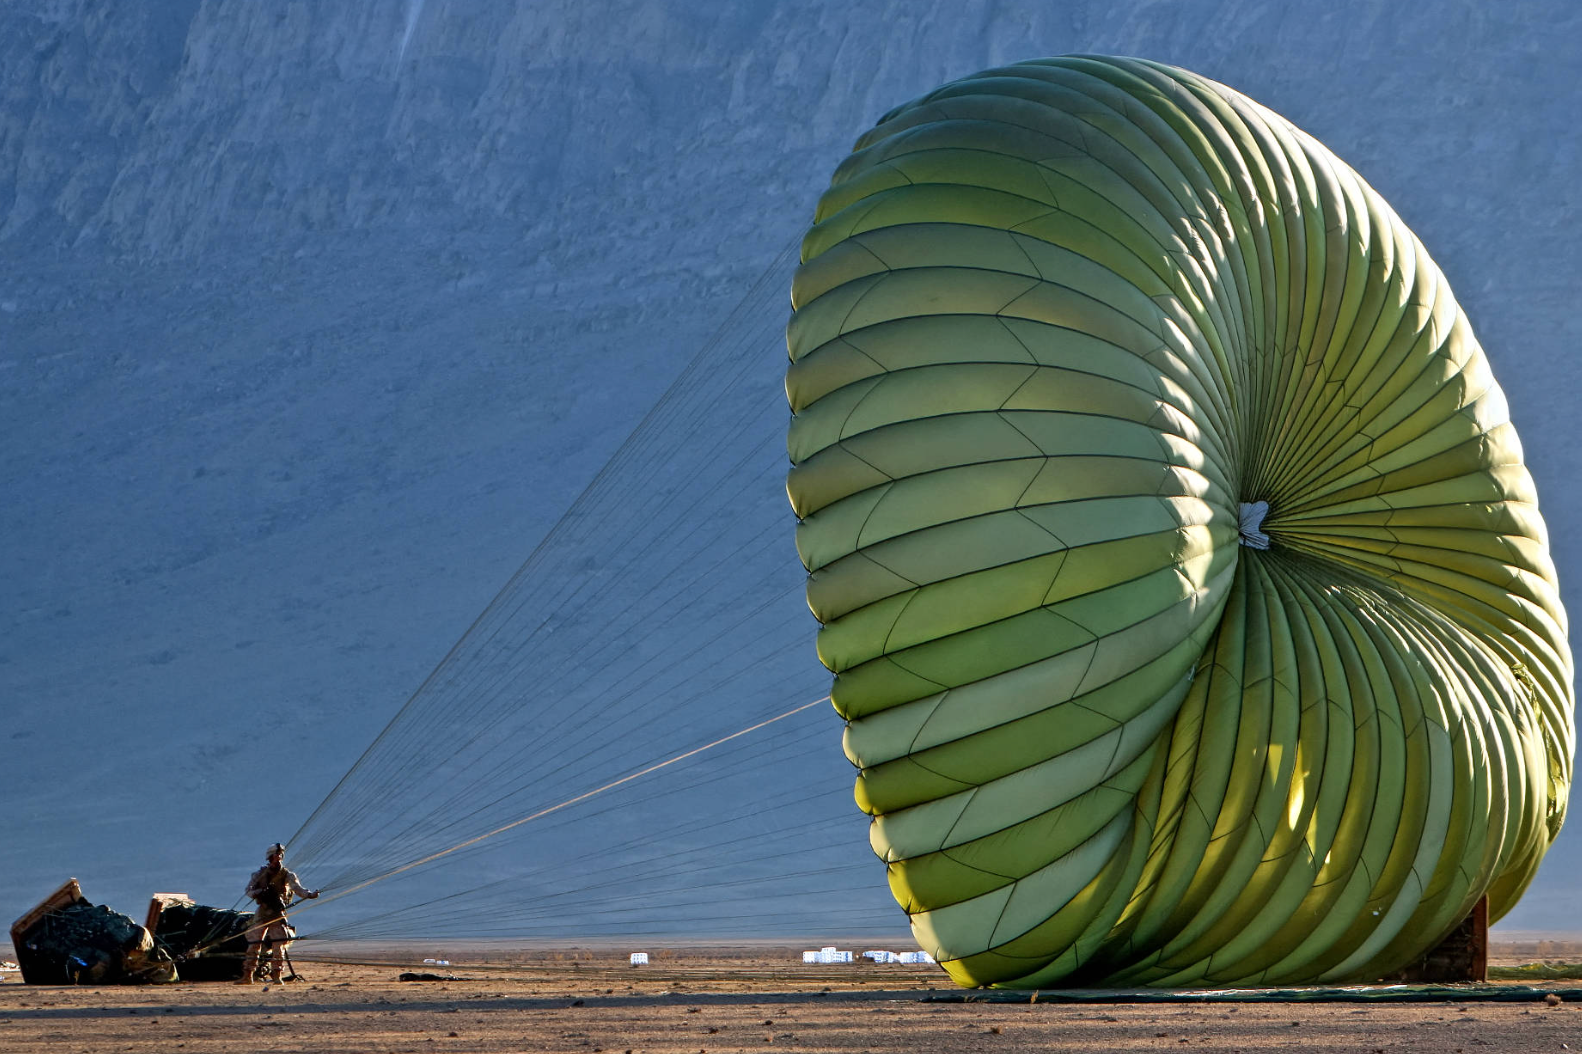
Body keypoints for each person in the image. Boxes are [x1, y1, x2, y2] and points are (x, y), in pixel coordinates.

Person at [237, 842, 319, 984]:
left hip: (277, 913)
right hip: (263, 911)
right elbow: (248, 891)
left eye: (280, 855)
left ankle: (277, 975)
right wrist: (260, 893)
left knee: (278, 945)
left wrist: (310, 895)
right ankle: (248, 975)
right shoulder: (259, 874)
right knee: (254, 943)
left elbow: (297, 889)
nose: (278, 857)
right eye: (276, 855)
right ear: (270, 857)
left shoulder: (287, 875)